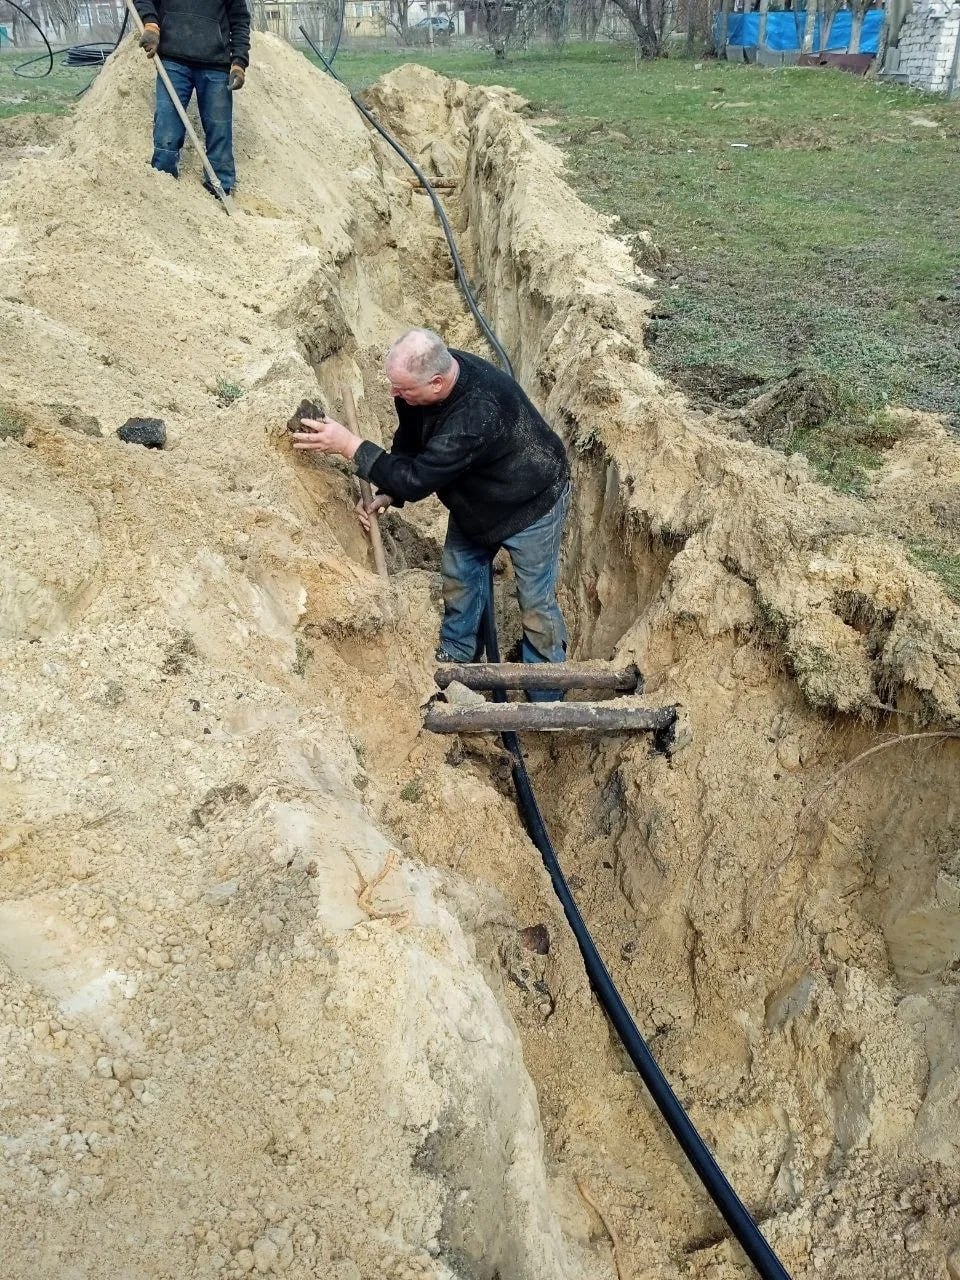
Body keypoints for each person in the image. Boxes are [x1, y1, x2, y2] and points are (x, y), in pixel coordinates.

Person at [291, 329, 571, 701]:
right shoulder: (418, 384)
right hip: (476, 498)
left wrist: (350, 446)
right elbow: (410, 441)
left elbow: (418, 480)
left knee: (535, 601)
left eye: (402, 390)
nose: (395, 395)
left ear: (437, 383)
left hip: (531, 502)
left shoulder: (476, 411)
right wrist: (387, 490)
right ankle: (457, 654)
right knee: (459, 575)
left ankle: (546, 688)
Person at [133, 0, 251, 197]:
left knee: (219, 131)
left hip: (216, 65)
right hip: (172, 61)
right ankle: (163, 187)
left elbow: (239, 19)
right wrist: (151, 24)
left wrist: (239, 61)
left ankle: (220, 190)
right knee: (166, 129)